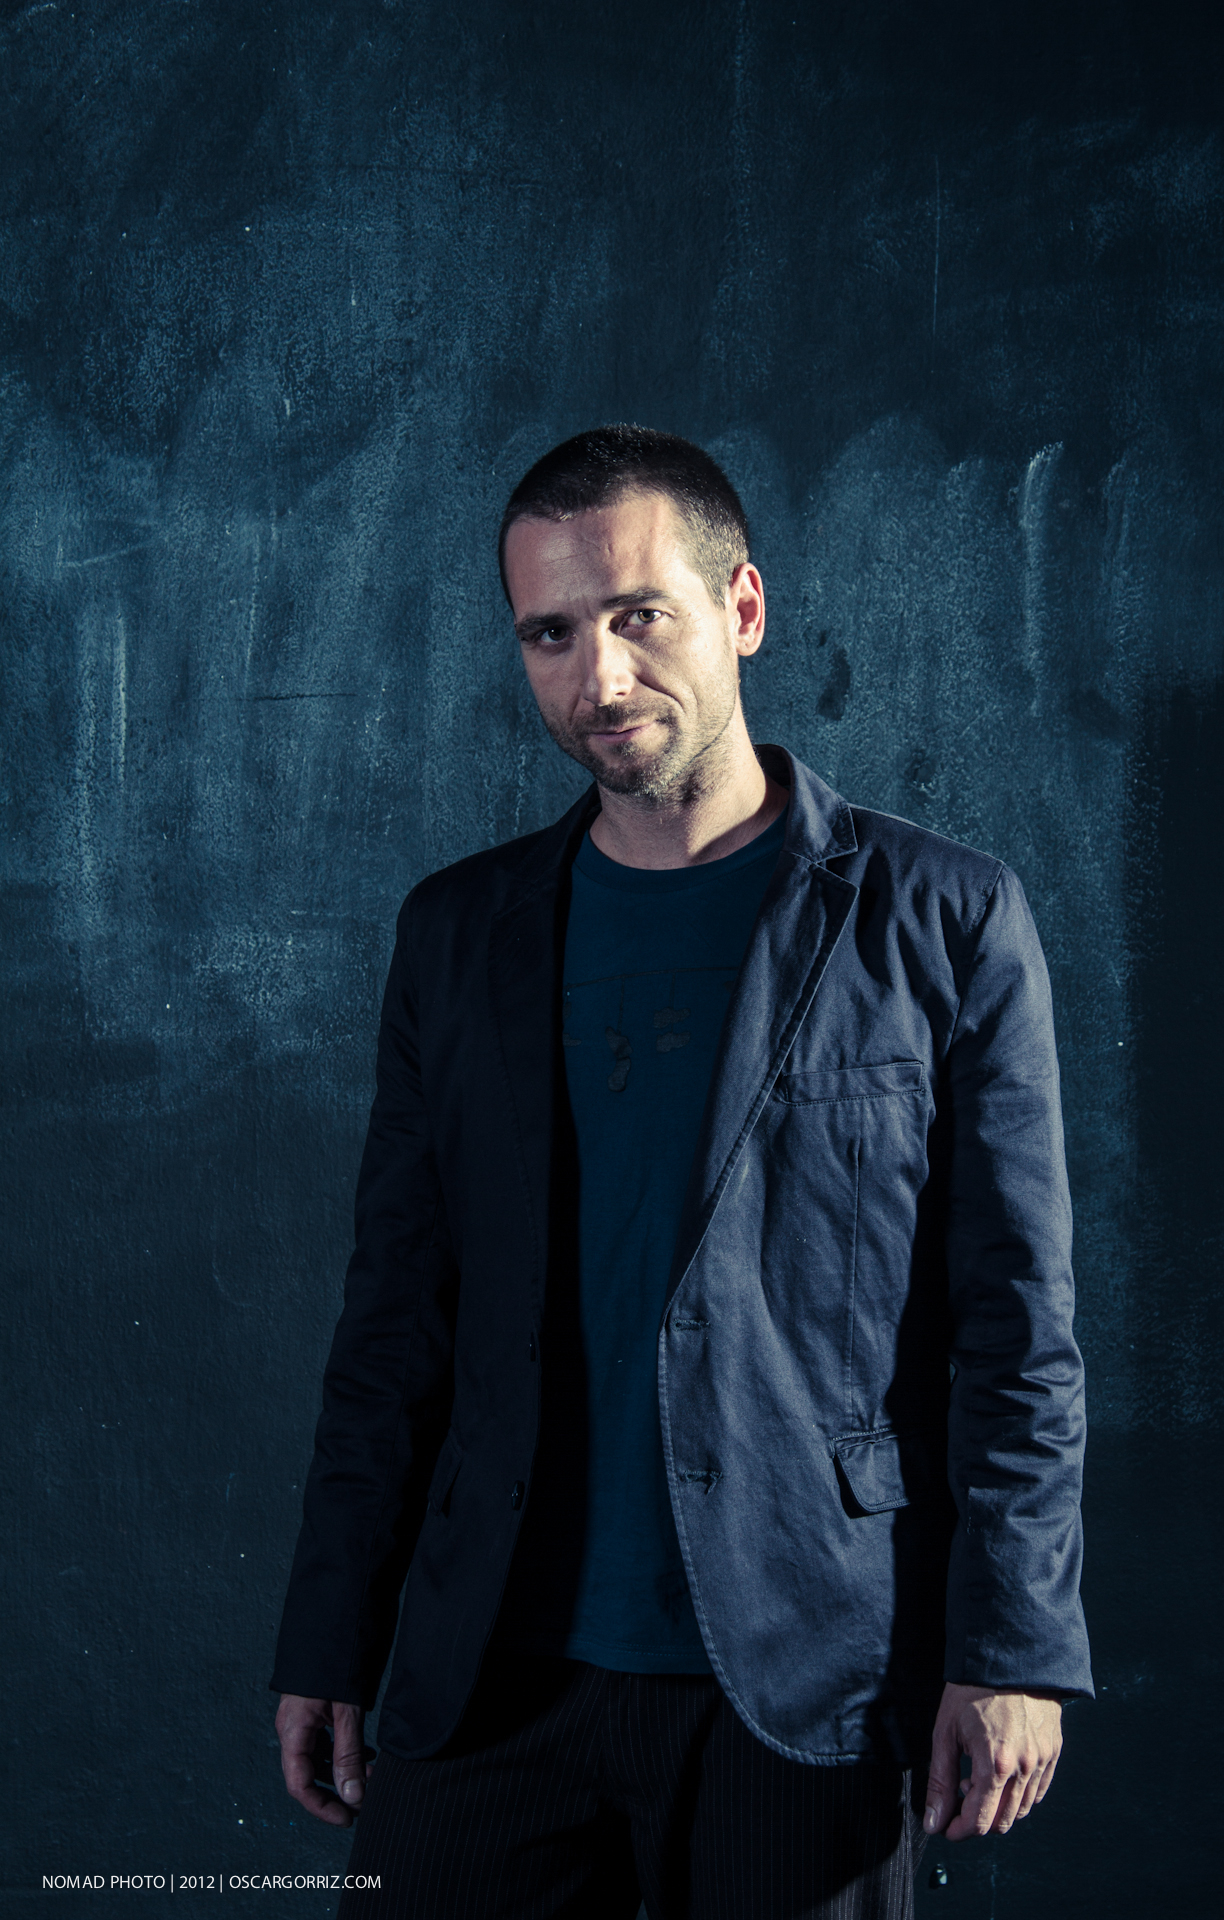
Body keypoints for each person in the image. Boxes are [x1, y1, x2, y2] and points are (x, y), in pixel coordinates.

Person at [270, 426, 1091, 1919]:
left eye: (639, 615)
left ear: (743, 608)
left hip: (811, 1669)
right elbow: (393, 1323)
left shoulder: (943, 917)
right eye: (552, 633)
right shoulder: (457, 934)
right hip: (492, 1669)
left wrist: (1014, 1647)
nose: (600, 677)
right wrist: (331, 1636)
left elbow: (1017, 1327)